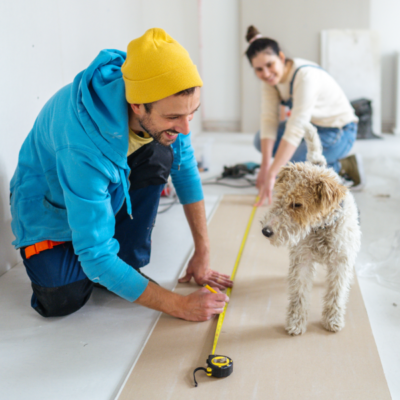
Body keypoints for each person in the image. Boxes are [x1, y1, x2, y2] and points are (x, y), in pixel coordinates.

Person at [10, 28, 231, 320]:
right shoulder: (81, 140)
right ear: (137, 104)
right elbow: (95, 258)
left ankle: (123, 262)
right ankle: (108, 264)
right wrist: (178, 305)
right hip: (50, 212)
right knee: (62, 300)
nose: (185, 127)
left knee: (162, 150)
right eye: (174, 117)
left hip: (99, 191)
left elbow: (185, 170)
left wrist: (202, 251)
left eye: (192, 113)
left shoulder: (166, 99)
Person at [245, 26, 365, 206]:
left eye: (270, 65)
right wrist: (264, 168)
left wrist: (273, 173)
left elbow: (295, 128)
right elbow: (269, 120)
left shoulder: (306, 76)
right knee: (259, 140)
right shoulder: (270, 81)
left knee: (293, 165)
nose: (266, 73)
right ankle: (328, 162)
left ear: (282, 57)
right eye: (259, 69)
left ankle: (343, 166)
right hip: (311, 127)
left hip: (338, 131)